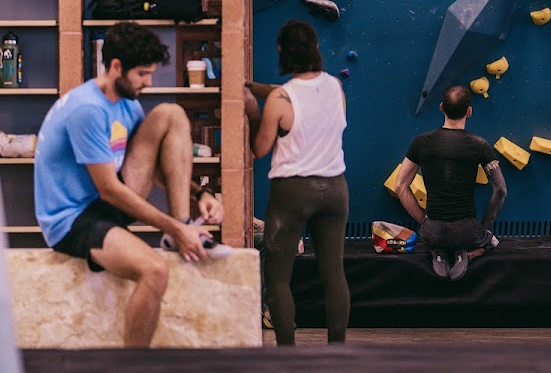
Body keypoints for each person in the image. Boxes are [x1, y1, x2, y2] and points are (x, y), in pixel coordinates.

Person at [33, 21, 228, 348]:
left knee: (171, 113)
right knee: (155, 271)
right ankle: (132, 366)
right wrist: (181, 232)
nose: (149, 83)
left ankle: (176, 228)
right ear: (115, 67)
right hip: (73, 220)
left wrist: (202, 194)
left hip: (102, 203)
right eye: (142, 74)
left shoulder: (128, 104)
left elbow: (149, 169)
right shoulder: (87, 110)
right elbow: (109, 188)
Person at [244, 19, 350, 346]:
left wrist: (251, 111)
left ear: (281, 51)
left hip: (292, 192)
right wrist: (250, 85)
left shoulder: (280, 99)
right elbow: (296, 94)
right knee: (333, 273)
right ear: (315, 49)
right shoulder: (335, 86)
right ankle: (337, 350)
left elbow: (260, 149)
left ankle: (287, 353)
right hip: (334, 189)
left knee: (278, 279)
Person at [395, 85, 507, 281]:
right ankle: (470, 254)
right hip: (468, 233)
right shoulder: (479, 145)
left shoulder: (421, 142)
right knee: (493, 242)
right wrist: (484, 227)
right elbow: (501, 190)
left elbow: (400, 186)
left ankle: (436, 252)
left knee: (435, 237)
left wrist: (424, 220)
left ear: (441, 108)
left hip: (431, 232)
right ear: (469, 112)